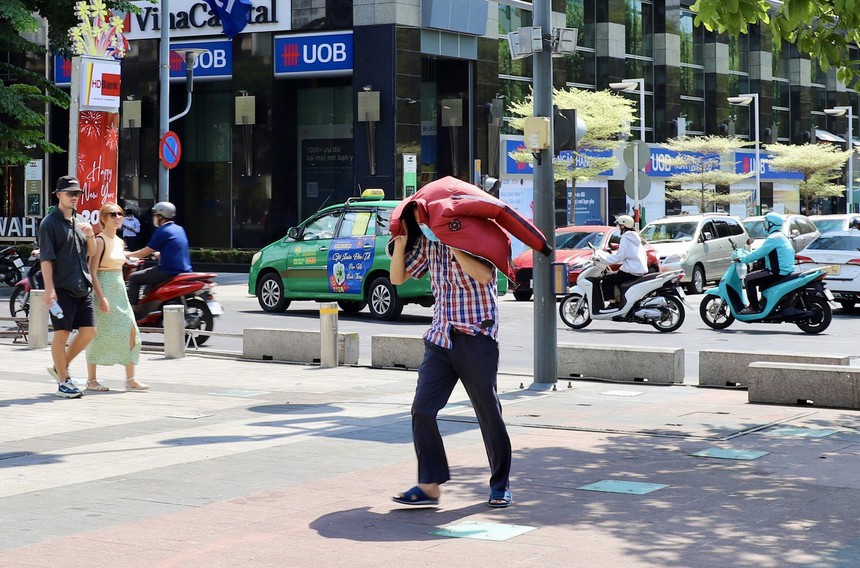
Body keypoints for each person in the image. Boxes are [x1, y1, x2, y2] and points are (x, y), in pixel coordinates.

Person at [390, 203, 512, 509]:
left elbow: (485, 276)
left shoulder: (477, 237)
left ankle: (500, 485)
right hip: (440, 338)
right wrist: (402, 242)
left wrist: (454, 244)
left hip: (476, 337)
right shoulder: (428, 243)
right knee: (422, 410)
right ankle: (429, 486)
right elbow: (397, 278)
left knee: (488, 414)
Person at [38, 176, 97, 398]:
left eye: (77, 194)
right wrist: (49, 289)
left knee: (90, 331)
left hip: (83, 285)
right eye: (70, 193)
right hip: (61, 287)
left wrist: (90, 234)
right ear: (58, 194)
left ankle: (60, 366)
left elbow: (90, 252)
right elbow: (46, 259)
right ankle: (63, 381)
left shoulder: (80, 221)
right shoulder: (49, 224)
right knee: (62, 334)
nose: (74, 197)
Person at [85, 203, 149, 392]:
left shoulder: (120, 242)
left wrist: (139, 255)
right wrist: (101, 297)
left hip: (119, 288)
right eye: (112, 214)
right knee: (98, 334)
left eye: (120, 214)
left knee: (132, 331)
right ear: (103, 218)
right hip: (104, 288)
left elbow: (120, 258)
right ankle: (91, 380)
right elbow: (92, 271)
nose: (118, 217)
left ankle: (130, 378)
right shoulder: (99, 241)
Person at [125, 201, 191, 306]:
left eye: (155, 215)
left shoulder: (163, 230)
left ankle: (133, 311)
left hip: (168, 271)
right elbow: (176, 249)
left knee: (134, 278)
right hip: (183, 270)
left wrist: (127, 255)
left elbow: (146, 251)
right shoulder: (179, 229)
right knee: (148, 288)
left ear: (161, 216)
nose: (153, 218)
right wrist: (160, 254)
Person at [732, 211, 795, 315]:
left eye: (765, 223)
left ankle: (754, 307)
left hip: (777, 272)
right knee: (759, 276)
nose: (764, 226)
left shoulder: (773, 238)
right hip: (784, 271)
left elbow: (759, 253)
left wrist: (742, 259)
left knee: (748, 279)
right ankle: (763, 303)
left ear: (771, 224)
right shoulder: (781, 236)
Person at [600, 215, 648, 310]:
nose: (617, 227)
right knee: (613, 276)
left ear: (623, 226)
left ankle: (613, 304)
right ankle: (618, 301)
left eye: (618, 225)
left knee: (607, 279)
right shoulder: (635, 237)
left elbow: (619, 257)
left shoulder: (626, 238)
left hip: (631, 271)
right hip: (638, 270)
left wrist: (602, 259)